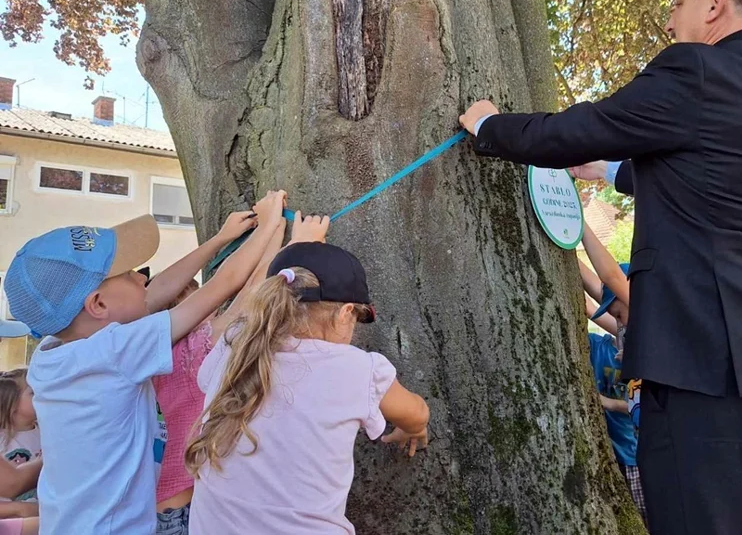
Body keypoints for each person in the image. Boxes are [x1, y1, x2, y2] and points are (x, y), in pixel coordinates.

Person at [459, 0, 742, 534]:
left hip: (713, 368)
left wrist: (490, 125)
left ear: (715, 3)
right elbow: (721, 175)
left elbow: (583, 126)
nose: (670, 20)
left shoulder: (699, 69)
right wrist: (611, 172)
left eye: (679, 1)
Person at [3, 191, 288, 535]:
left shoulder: (53, 353)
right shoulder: (112, 353)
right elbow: (221, 287)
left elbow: (156, 293)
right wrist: (270, 225)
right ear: (97, 304)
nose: (143, 279)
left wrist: (220, 239)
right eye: (130, 274)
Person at [186, 230, 430, 534]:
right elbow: (416, 412)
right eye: (357, 319)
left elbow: (203, 379)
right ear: (345, 314)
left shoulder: (235, 344)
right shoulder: (357, 368)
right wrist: (414, 428)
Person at [153, 212, 289, 535]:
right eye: (196, 294)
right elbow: (250, 296)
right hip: (188, 512)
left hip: (165, 510)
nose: (210, 304)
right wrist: (280, 228)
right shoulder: (191, 350)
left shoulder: (158, 361)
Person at [0, 370, 39, 513]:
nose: (42, 395)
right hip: (12, 517)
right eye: (32, 393)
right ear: (12, 403)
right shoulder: (2, 439)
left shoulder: (47, 431)